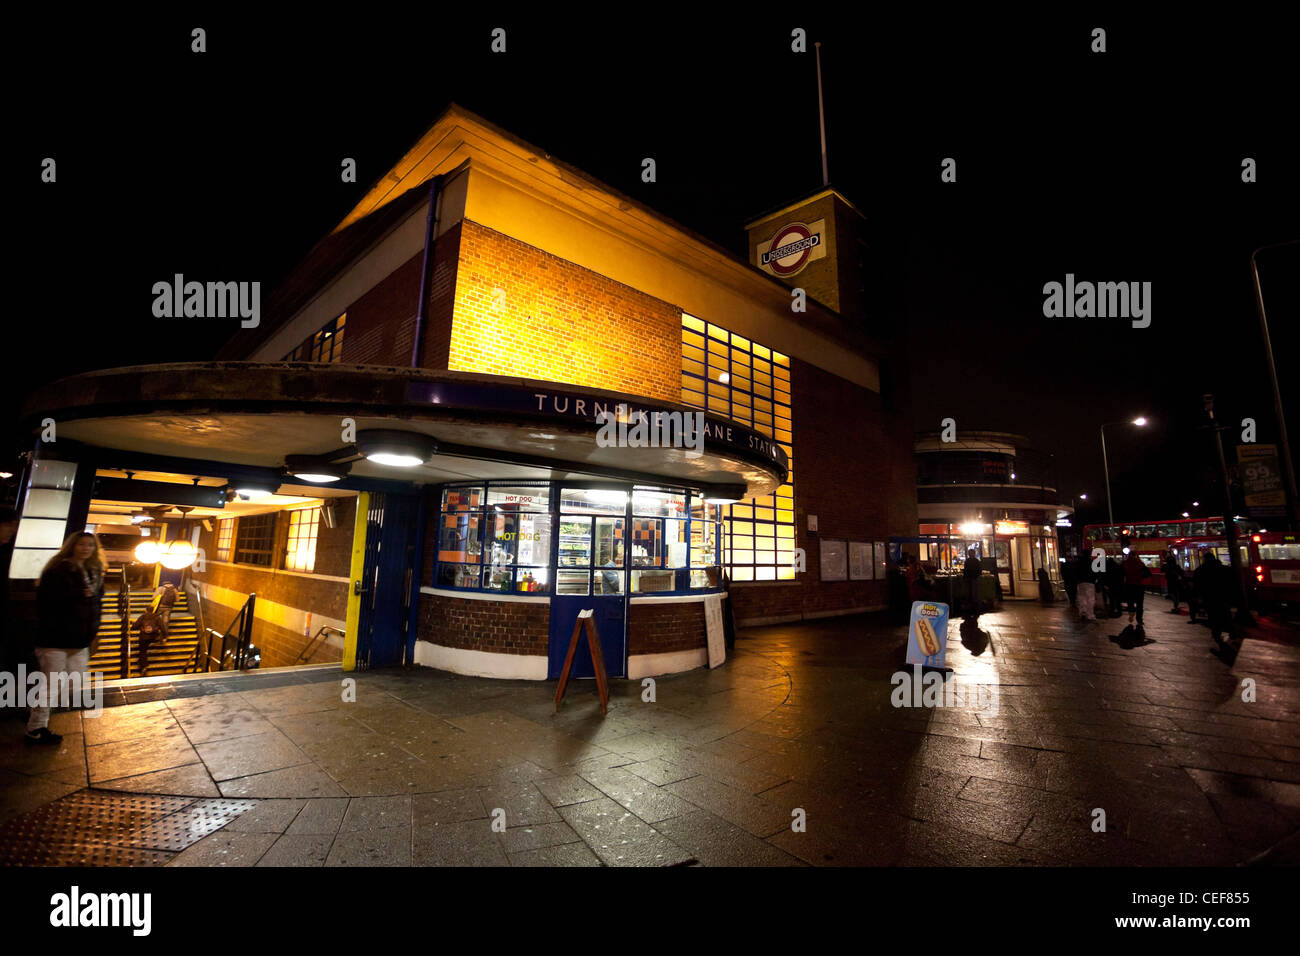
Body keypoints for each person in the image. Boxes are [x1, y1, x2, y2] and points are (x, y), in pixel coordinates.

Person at [27, 532, 104, 745]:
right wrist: (80, 594)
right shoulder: (58, 570)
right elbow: (48, 603)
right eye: (81, 544)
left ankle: (36, 711)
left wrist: (93, 633)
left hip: (79, 640)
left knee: (74, 681)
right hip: (55, 639)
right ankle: (36, 728)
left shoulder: (93, 572)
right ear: (72, 546)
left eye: (90, 545)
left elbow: (96, 605)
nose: (86, 548)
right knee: (52, 684)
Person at [1194, 553, 1233, 648]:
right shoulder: (1224, 569)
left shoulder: (1200, 570)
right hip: (1223, 597)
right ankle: (1228, 632)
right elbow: (1232, 583)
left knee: (1213, 616)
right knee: (1225, 614)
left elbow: (1197, 585)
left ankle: (1217, 635)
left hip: (1209, 598)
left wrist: (1199, 597)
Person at [1122, 551, 1152, 626]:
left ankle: (1131, 613)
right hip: (1139, 585)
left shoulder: (1125, 563)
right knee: (1140, 604)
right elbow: (1148, 573)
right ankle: (1139, 619)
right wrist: (1141, 576)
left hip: (1129, 585)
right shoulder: (1140, 563)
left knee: (1130, 601)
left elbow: (1122, 574)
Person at [1074, 550, 1097, 622]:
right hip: (1090, 582)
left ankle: (1082, 612)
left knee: (1082, 598)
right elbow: (1095, 573)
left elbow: (1075, 572)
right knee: (1090, 599)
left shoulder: (1079, 562)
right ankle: (1090, 615)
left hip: (1081, 582)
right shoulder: (1092, 562)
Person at [1162, 549, 1185, 614]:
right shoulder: (1176, 566)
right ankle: (1176, 605)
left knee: (1171, 592)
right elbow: (1181, 572)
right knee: (1176, 592)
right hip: (1176, 581)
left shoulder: (1167, 566)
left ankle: (1175, 604)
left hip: (1170, 581)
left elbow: (1162, 570)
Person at [963, 548, 983, 618]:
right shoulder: (976, 561)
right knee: (974, 594)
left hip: (970, 579)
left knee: (970, 594)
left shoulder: (967, 561)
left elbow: (965, 570)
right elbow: (979, 570)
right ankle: (975, 609)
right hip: (974, 578)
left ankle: (971, 608)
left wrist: (965, 578)